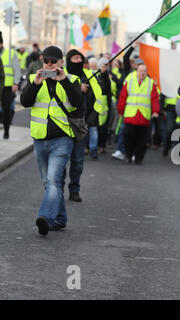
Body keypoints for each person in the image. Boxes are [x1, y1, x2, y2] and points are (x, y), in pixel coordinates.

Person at [20, 46, 84, 235]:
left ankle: (45, 217)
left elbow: (78, 102)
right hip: (39, 138)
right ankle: (61, 218)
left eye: (53, 61)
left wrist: (63, 81)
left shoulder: (72, 79)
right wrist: (36, 84)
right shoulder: (34, 79)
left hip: (62, 139)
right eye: (46, 61)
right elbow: (25, 102)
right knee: (49, 184)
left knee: (54, 180)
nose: (49, 65)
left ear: (61, 63)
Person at [63, 49, 107, 202]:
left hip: (80, 123)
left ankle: (74, 190)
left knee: (78, 161)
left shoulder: (89, 75)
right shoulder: (62, 75)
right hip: (62, 124)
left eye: (80, 58)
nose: (78, 61)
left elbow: (102, 94)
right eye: (75, 58)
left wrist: (104, 75)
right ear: (69, 61)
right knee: (61, 160)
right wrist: (77, 87)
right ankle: (58, 189)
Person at [117, 63, 160, 164]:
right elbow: (123, 97)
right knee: (128, 137)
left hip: (143, 116)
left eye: (144, 71)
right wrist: (120, 110)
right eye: (140, 71)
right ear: (137, 71)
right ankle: (128, 155)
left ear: (146, 72)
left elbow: (154, 99)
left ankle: (138, 158)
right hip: (130, 115)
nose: (142, 73)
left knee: (142, 140)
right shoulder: (130, 82)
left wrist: (155, 111)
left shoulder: (150, 83)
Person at [0, 32, 21, 139]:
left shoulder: (10, 54)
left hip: (7, 88)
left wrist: (16, 83)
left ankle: (6, 131)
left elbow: (17, 70)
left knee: (6, 110)